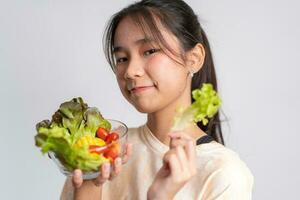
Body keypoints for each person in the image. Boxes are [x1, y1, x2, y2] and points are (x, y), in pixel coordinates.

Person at [60, 0, 254, 199]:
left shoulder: (222, 173)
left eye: (150, 51)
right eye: (122, 58)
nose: (130, 72)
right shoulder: (103, 151)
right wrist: (89, 184)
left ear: (194, 58)